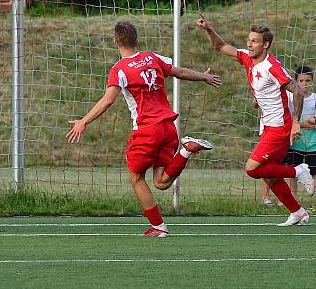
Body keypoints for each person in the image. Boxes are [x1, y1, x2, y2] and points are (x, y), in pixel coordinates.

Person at [66, 21, 220, 237]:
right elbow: (180, 72)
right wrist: (204, 76)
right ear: (137, 41)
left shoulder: (118, 70)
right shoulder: (152, 57)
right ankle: (186, 149)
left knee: (136, 178)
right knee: (161, 181)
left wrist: (84, 121)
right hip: (168, 127)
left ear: (115, 42)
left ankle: (159, 227)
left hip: (148, 129)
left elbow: (108, 100)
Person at [197, 14, 314, 227]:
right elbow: (221, 46)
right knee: (269, 175)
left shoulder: (271, 66)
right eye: (249, 40)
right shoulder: (247, 58)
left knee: (252, 168)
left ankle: (298, 171)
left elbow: (296, 89)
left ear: (266, 44)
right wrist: (208, 29)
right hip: (268, 126)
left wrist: (296, 121)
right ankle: (298, 212)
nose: (249, 44)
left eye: (254, 41)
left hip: (279, 127)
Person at [285, 65, 316, 203]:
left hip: (312, 142)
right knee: (293, 171)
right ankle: (293, 198)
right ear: (295, 82)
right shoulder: (291, 98)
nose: (305, 84)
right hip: (295, 141)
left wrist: (315, 119)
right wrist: (301, 124)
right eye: (301, 81)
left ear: (312, 81)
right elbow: (288, 119)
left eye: (308, 81)